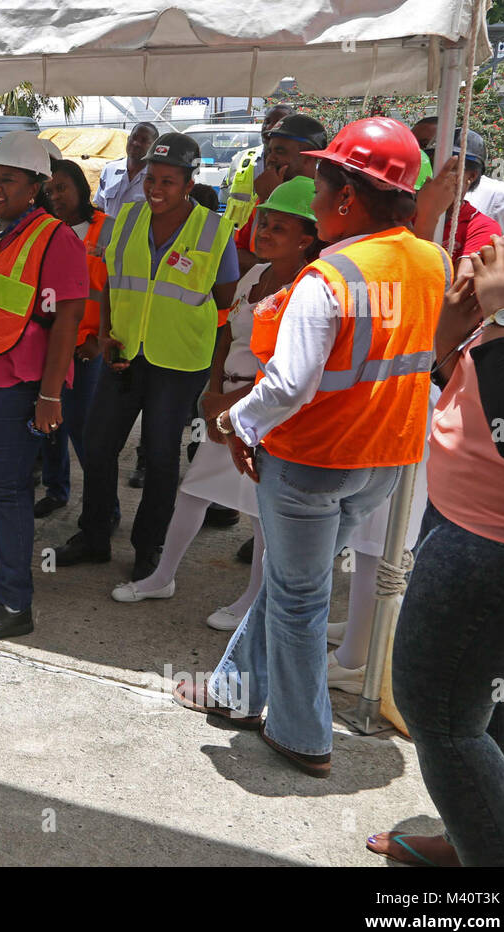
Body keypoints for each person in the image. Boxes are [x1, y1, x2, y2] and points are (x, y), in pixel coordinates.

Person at [175, 117, 449, 779]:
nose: (313, 197)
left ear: (348, 199)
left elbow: (291, 385)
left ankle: (303, 734)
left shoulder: (329, 277)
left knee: (298, 597)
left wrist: (238, 425)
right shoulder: (428, 260)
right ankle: (236, 690)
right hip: (384, 461)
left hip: (314, 464)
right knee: (293, 583)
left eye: (317, 185)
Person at [367, 210, 504, 865]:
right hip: (477, 530)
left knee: (440, 712)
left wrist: (501, 316)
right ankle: (472, 840)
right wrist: (457, 333)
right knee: (488, 692)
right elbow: (486, 391)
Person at [112, 178, 321, 634]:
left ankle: (253, 600)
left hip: (268, 409)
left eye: (278, 226)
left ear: (306, 238)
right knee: (195, 492)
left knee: (263, 513)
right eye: (264, 221)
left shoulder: (310, 289)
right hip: (228, 403)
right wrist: (212, 393)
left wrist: (230, 401)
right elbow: (226, 334)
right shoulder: (254, 275)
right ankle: (161, 577)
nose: (263, 231)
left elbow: (294, 368)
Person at [53, 132, 239, 582]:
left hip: (178, 362)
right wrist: (106, 333)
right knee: (98, 445)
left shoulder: (215, 231)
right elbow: (113, 282)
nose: (156, 189)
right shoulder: (127, 218)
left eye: (169, 181)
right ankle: (94, 535)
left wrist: (215, 377)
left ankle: (148, 545)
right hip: (123, 353)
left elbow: (225, 304)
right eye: (152, 179)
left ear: (190, 183)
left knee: (159, 456)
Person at [0, 132, 86, 641]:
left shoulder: (56, 237)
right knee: (2, 487)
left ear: (36, 186)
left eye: (9, 179)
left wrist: (50, 395)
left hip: (19, 382)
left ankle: (12, 601)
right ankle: (5, 564)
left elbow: (67, 320)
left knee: (7, 488)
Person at [34, 159, 116, 521]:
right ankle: (56, 489)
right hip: (50, 346)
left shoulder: (107, 229)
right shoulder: (43, 231)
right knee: (50, 424)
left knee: (87, 432)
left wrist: (100, 340)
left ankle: (104, 508)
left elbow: (121, 290)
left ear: (81, 188)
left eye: (62, 187)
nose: (56, 196)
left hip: (88, 350)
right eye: (49, 191)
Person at [234, 113, 327, 273]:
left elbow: (285, 269)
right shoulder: (269, 193)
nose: (270, 158)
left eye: (280, 151)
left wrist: (269, 199)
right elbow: (238, 252)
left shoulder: (322, 204)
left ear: (308, 158)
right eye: (270, 151)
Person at [415, 129, 503, 271]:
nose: (437, 175)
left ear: (471, 176)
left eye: (450, 168)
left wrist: (428, 218)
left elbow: (456, 290)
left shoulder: (482, 227)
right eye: (432, 165)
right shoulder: (404, 214)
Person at [222, 103, 295, 229]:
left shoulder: (296, 165)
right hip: (234, 241)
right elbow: (224, 196)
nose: (270, 127)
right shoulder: (241, 158)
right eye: (267, 121)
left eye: (278, 123)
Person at [94, 122, 158, 218]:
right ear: (128, 139)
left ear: (154, 147)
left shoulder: (156, 177)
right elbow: (101, 207)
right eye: (134, 138)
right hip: (108, 232)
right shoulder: (110, 169)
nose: (136, 143)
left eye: (144, 140)